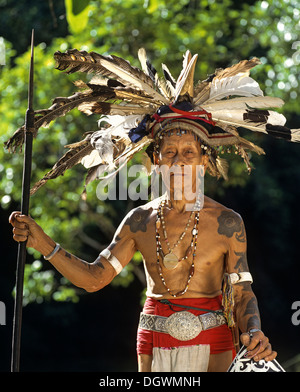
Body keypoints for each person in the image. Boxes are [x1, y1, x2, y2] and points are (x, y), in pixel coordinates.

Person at [8, 48, 295, 372]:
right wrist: (42, 243)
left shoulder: (227, 223)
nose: (179, 161)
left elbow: (242, 293)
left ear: (203, 160)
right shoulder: (139, 222)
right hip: (154, 341)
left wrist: (254, 331)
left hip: (216, 340)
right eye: (169, 152)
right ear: (155, 161)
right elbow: (94, 278)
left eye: (188, 152)